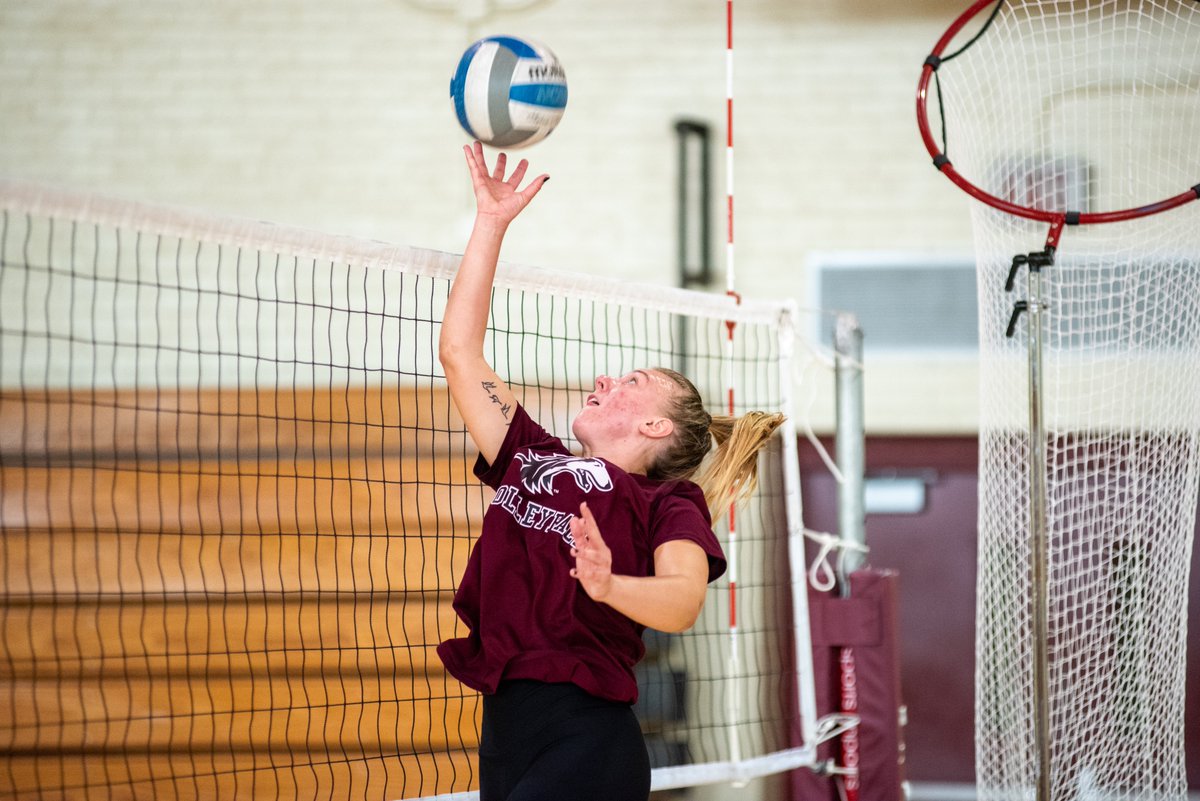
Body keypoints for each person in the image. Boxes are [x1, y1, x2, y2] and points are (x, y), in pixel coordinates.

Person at [436, 141, 785, 801]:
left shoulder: (668, 500)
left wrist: (607, 583)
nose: (604, 378)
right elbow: (459, 351)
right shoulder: (529, 454)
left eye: (631, 381)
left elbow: (682, 601)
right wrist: (490, 223)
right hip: (505, 730)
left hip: (587, 738)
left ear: (656, 426)